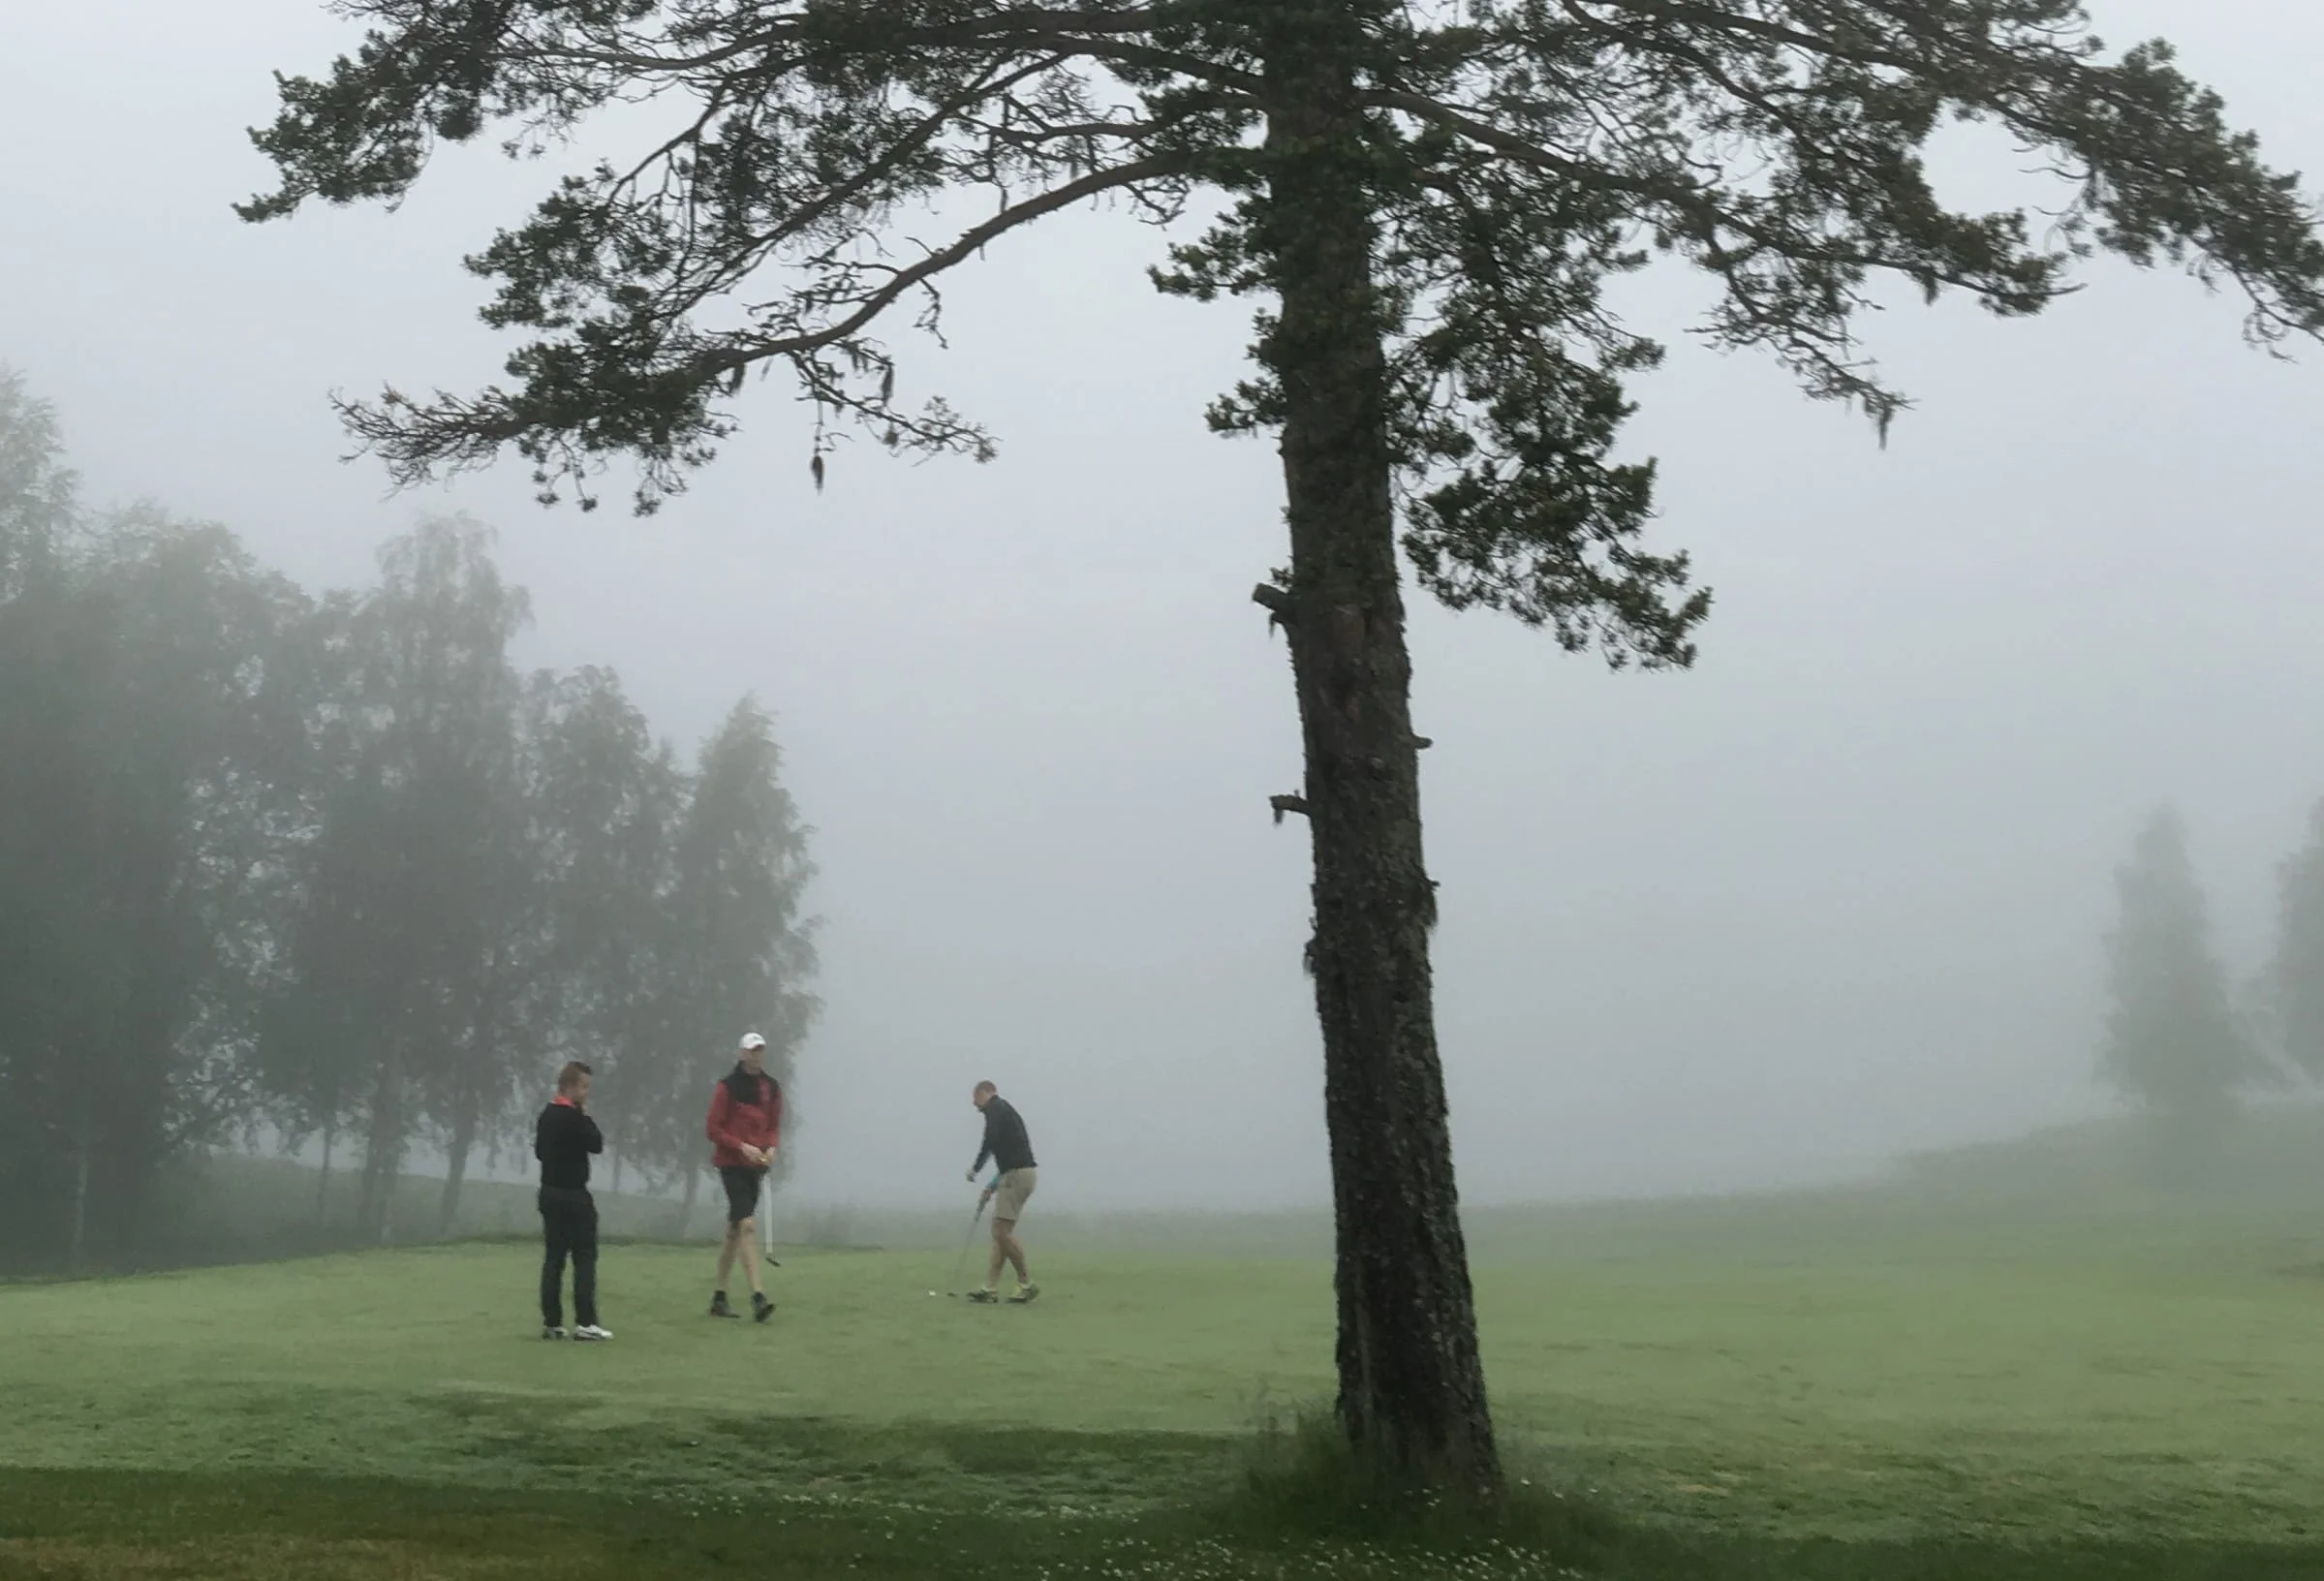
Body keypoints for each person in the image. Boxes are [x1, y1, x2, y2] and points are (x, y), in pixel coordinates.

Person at [705, 1031, 782, 1322]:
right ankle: (758, 1296)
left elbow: (773, 1125)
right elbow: (713, 1129)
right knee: (747, 1225)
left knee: (734, 1232)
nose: (756, 1055)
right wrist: (741, 1147)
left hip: (755, 1167)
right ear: (741, 1054)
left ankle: (719, 1297)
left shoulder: (771, 1088)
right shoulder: (727, 1087)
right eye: (752, 1050)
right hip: (731, 1165)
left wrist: (772, 1147)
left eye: (760, 1050)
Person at [535, 1060, 611, 1341]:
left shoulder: (547, 1115)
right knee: (584, 1257)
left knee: (554, 1258)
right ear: (569, 1086)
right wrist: (585, 1116)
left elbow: (540, 1152)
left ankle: (552, 1322)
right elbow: (597, 1143)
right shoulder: (574, 1117)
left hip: (549, 1192)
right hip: (574, 1196)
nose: (586, 1092)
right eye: (583, 1086)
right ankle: (586, 1322)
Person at [965, 1080, 1038, 1305]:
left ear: (985, 1093)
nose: (974, 1103)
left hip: (1017, 1177)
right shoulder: (1002, 1111)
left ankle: (1026, 1283)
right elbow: (1009, 1157)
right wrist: (992, 1185)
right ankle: (990, 1289)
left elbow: (990, 1141)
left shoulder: (995, 1109)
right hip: (1016, 1175)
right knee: (1001, 1234)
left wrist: (975, 1168)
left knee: (1000, 1231)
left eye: (975, 1097)